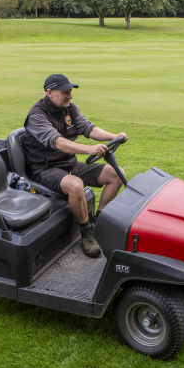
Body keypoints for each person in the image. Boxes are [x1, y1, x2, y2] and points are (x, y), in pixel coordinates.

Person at [23, 74, 128, 258]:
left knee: (117, 174)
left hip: (69, 164)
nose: (70, 96)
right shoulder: (36, 116)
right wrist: (89, 150)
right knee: (75, 185)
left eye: (70, 91)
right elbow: (57, 142)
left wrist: (113, 136)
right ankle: (86, 231)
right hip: (45, 169)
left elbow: (89, 129)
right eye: (65, 92)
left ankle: (98, 219)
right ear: (50, 93)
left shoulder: (70, 109)